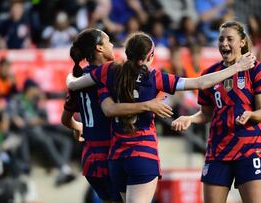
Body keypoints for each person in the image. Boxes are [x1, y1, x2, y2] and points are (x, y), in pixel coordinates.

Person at [66, 32, 255, 203]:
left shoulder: (110, 72)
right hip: (141, 154)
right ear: (151, 56)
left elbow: (81, 89)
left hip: (113, 157)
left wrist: (70, 80)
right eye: (108, 41)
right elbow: (200, 82)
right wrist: (236, 67)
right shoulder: (154, 77)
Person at [61, 28, 175, 203]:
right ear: (99, 48)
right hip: (110, 153)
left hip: (90, 160)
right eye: (108, 42)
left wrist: (78, 126)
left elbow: (65, 119)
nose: (113, 45)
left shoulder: (79, 79)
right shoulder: (111, 71)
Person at [171, 21, 261, 203]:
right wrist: (190, 119)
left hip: (249, 150)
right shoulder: (210, 74)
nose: (224, 43)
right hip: (218, 151)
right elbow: (206, 114)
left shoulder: (257, 70)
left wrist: (250, 115)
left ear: (242, 42)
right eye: (221, 39)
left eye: (229, 39)